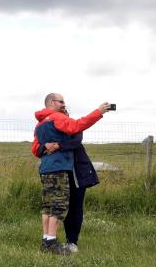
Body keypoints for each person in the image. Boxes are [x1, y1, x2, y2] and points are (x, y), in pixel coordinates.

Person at [31, 93, 110, 255]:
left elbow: (73, 137)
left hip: (49, 169)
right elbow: (76, 126)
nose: (64, 106)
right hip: (59, 168)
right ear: (52, 103)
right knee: (58, 207)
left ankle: (48, 240)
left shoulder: (40, 125)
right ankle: (52, 242)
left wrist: (53, 145)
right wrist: (98, 112)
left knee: (49, 206)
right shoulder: (56, 119)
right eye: (62, 102)